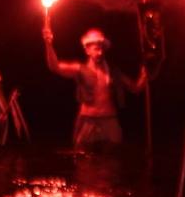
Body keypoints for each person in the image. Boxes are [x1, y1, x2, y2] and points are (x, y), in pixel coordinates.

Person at [43, 26, 146, 154]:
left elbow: (136, 88)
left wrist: (145, 73)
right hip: (87, 120)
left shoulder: (113, 72)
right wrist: (48, 43)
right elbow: (54, 67)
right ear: (87, 50)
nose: (100, 53)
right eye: (96, 49)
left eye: (102, 49)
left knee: (112, 158)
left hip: (109, 121)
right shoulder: (79, 69)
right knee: (82, 157)